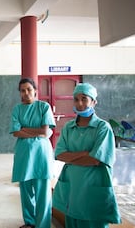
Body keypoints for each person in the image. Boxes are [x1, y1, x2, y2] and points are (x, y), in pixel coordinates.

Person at [52, 83, 121, 228]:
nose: (80, 103)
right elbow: (59, 154)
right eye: (76, 99)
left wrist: (72, 156)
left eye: (84, 99)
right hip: (73, 189)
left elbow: (95, 159)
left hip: (93, 188)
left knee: (94, 221)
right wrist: (84, 153)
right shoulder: (69, 128)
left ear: (94, 102)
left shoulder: (102, 128)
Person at [9, 78, 56, 228]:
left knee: (43, 191)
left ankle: (42, 224)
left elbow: (45, 131)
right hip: (24, 154)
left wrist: (25, 129)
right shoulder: (17, 109)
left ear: (35, 90)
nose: (26, 93)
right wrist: (37, 132)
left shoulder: (44, 107)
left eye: (29, 89)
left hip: (41, 154)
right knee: (26, 189)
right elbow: (16, 132)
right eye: (23, 90)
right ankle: (29, 222)